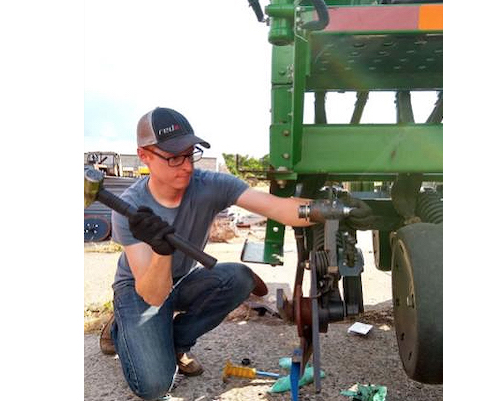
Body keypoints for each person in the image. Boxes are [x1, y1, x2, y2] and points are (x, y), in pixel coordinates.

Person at [99, 107, 372, 400]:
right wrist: (162, 250)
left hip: (182, 279)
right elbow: (153, 295)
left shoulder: (207, 185)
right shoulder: (129, 207)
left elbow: (278, 207)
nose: (186, 166)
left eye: (190, 154)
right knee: (153, 385)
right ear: (144, 156)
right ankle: (121, 328)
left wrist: (334, 210)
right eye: (174, 157)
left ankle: (175, 344)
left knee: (239, 278)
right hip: (141, 288)